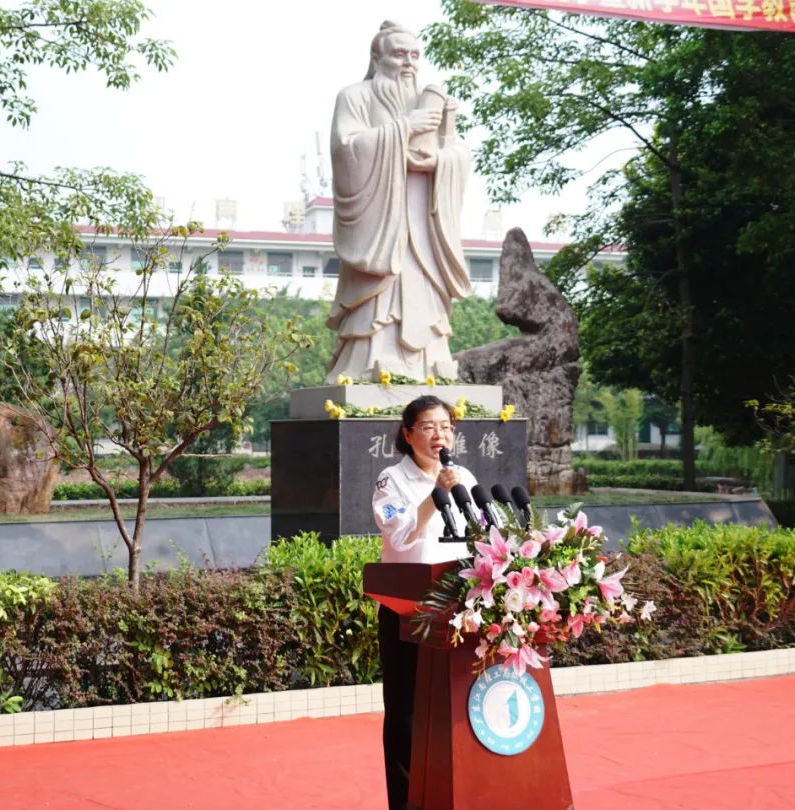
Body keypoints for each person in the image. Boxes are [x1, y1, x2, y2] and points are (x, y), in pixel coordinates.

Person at [327, 21, 472, 383]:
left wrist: (440, 159)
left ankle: (433, 363)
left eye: (414, 55)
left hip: (424, 221)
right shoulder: (355, 96)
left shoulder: (431, 101)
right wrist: (403, 128)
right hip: (381, 225)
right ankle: (370, 360)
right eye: (398, 54)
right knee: (382, 296)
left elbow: (456, 152)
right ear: (377, 57)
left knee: (424, 288)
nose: (408, 63)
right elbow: (346, 147)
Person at [372, 395, 476, 810]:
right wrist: (435, 495)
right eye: (430, 426)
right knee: (407, 713)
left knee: (454, 706)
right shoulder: (391, 479)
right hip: (409, 608)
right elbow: (398, 535)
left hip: (457, 607)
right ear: (408, 433)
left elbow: (482, 530)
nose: (440, 434)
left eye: (447, 426)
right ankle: (406, 801)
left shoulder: (462, 473)